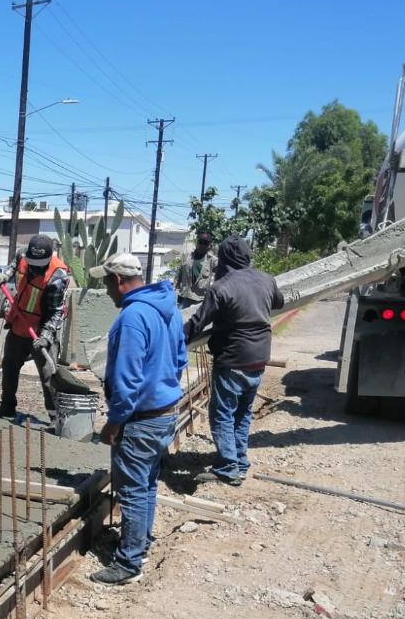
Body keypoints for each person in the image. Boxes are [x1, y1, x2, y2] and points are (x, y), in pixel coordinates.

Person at [88, 253, 187, 585]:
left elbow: (127, 378)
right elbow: (179, 359)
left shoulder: (132, 317)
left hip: (140, 419)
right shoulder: (167, 308)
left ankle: (128, 563)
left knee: (131, 489)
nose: (107, 292)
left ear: (118, 280)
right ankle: (139, 545)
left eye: (106, 283)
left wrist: (114, 421)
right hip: (165, 414)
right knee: (145, 484)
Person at [185, 236, 285, 486]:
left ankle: (228, 467)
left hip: (233, 358)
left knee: (222, 414)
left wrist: (173, 337)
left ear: (224, 259)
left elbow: (198, 323)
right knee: (242, 413)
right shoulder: (266, 279)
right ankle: (239, 460)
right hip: (259, 358)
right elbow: (279, 302)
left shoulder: (221, 287)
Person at [0, 234, 69, 419]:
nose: (35, 266)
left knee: (48, 376)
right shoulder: (22, 255)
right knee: (9, 367)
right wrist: (5, 275)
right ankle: (7, 406)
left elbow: (56, 311)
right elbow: (12, 268)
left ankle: (55, 417)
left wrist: (45, 337)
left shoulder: (57, 275)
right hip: (19, 323)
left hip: (42, 327)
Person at [175, 231, 217, 308]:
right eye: (200, 242)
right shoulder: (187, 256)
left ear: (209, 246)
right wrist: (176, 287)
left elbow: (223, 273)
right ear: (197, 243)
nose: (202, 245)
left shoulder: (212, 260)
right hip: (185, 297)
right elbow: (180, 273)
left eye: (205, 243)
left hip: (201, 300)